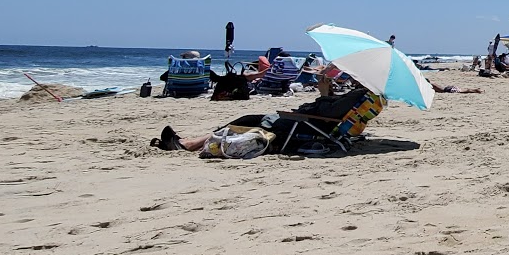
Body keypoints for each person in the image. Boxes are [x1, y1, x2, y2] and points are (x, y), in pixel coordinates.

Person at [151, 74, 374, 153]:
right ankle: (193, 142)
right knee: (245, 120)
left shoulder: (357, 94)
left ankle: (190, 144)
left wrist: (324, 93)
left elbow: (329, 112)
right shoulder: (363, 94)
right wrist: (329, 93)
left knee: (244, 121)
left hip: (303, 124)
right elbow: (334, 111)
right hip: (310, 122)